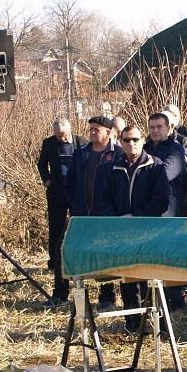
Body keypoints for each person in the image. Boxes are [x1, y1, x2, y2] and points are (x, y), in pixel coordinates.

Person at [95, 126, 169, 332]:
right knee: (127, 278)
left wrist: (136, 216)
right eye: (126, 140)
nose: (131, 144)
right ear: (120, 141)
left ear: (142, 141)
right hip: (122, 230)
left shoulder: (155, 166)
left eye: (135, 139)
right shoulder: (112, 168)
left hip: (148, 229)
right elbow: (103, 199)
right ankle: (133, 324)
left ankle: (156, 325)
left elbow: (161, 200)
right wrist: (119, 220)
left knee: (150, 279)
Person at [66, 116, 121, 309]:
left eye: (97, 129)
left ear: (108, 132)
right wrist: (74, 204)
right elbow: (71, 181)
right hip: (83, 212)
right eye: (90, 129)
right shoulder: (81, 153)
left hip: (106, 214)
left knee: (105, 252)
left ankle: (107, 295)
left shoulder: (117, 154)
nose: (92, 132)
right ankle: (79, 293)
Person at [39, 118, 88, 306]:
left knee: (76, 226)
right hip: (57, 191)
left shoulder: (81, 142)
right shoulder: (49, 143)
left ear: (70, 131)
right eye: (58, 135)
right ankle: (55, 261)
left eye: (64, 135)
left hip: (75, 192)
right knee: (56, 228)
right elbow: (41, 164)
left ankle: (76, 264)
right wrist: (47, 180)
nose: (62, 138)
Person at [144, 111, 187, 311]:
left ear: (169, 128)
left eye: (159, 127)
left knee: (170, 257)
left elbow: (165, 174)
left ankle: (176, 302)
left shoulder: (176, 150)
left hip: (169, 211)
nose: (155, 130)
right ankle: (155, 300)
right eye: (152, 127)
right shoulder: (143, 147)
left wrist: (142, 172)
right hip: (147, 210)